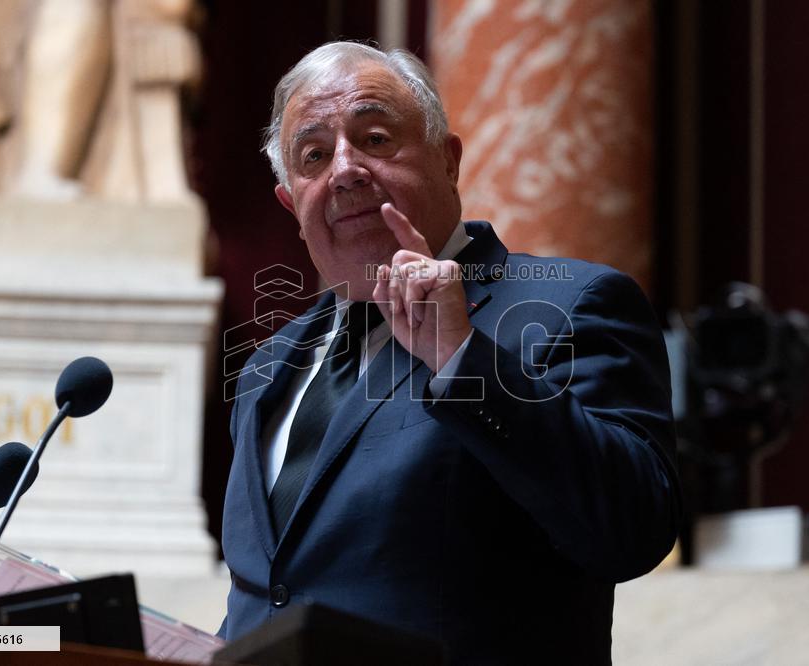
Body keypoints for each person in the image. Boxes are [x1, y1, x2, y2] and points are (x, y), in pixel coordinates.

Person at [219, 41, 680, 665]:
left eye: (376, 138)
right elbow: (271, 594)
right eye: (314, 155)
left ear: (449, 158)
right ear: (291, 202)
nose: (346, 169)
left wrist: (463, 358)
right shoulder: (265, 366)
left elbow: (631, 532)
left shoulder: (572, 305)